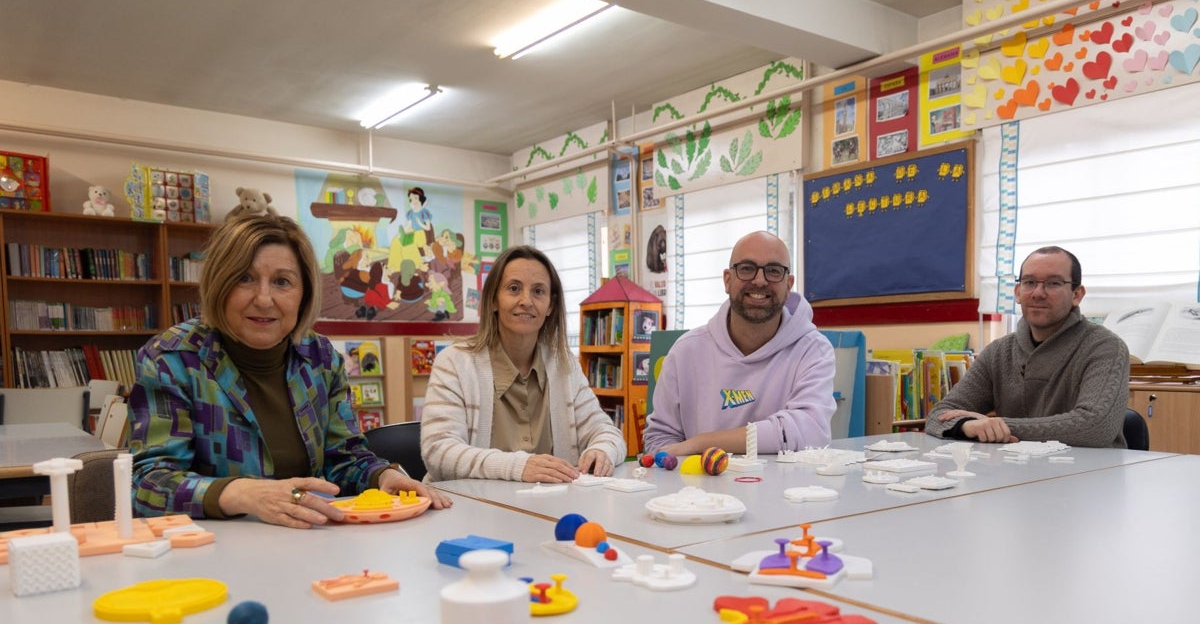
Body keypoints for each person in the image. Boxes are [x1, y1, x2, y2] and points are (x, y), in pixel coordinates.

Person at [128, 214, 451, 528]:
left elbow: (345, 458)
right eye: (244, 278)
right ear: (218, 283)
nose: (264, 299)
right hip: (209, 552)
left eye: (282, 282)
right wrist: (241, 493)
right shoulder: (172, 359)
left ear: (304, 294)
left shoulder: (320, 357)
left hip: (308, 539)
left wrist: (383, 475)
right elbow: (149, 485)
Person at [420, 245, 626, 482]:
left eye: (538, 291)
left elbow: (607, 432)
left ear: (550, 306)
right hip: (469, 509)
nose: (526, 301)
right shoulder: (455, 363)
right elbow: (438, 452)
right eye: (514, 288)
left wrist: (601, 451)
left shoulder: (564, 365)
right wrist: (519, 466)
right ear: (493, 300)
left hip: (549, 509)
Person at [643, 231, 836, 456]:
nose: (760, 280)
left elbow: (810, 431)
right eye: (746, 268)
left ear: (788, 284)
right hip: (701, 488)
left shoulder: (813, 350)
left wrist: (701, 444)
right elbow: (660, 439)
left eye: (774, 271)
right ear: (727, 280)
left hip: (784, 489)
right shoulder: (685, 351)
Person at [925, 246, 1129, 447]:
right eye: (1029, 282)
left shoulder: (1105, 347)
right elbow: (938, 416)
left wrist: (999, 426)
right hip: (1016, 471)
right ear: (1017, 291)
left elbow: (1095, 427)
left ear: (1077, 294)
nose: (1038, 293)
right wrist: (965, 426)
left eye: (1054, 283)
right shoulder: (998, 352)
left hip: (1090, 474)